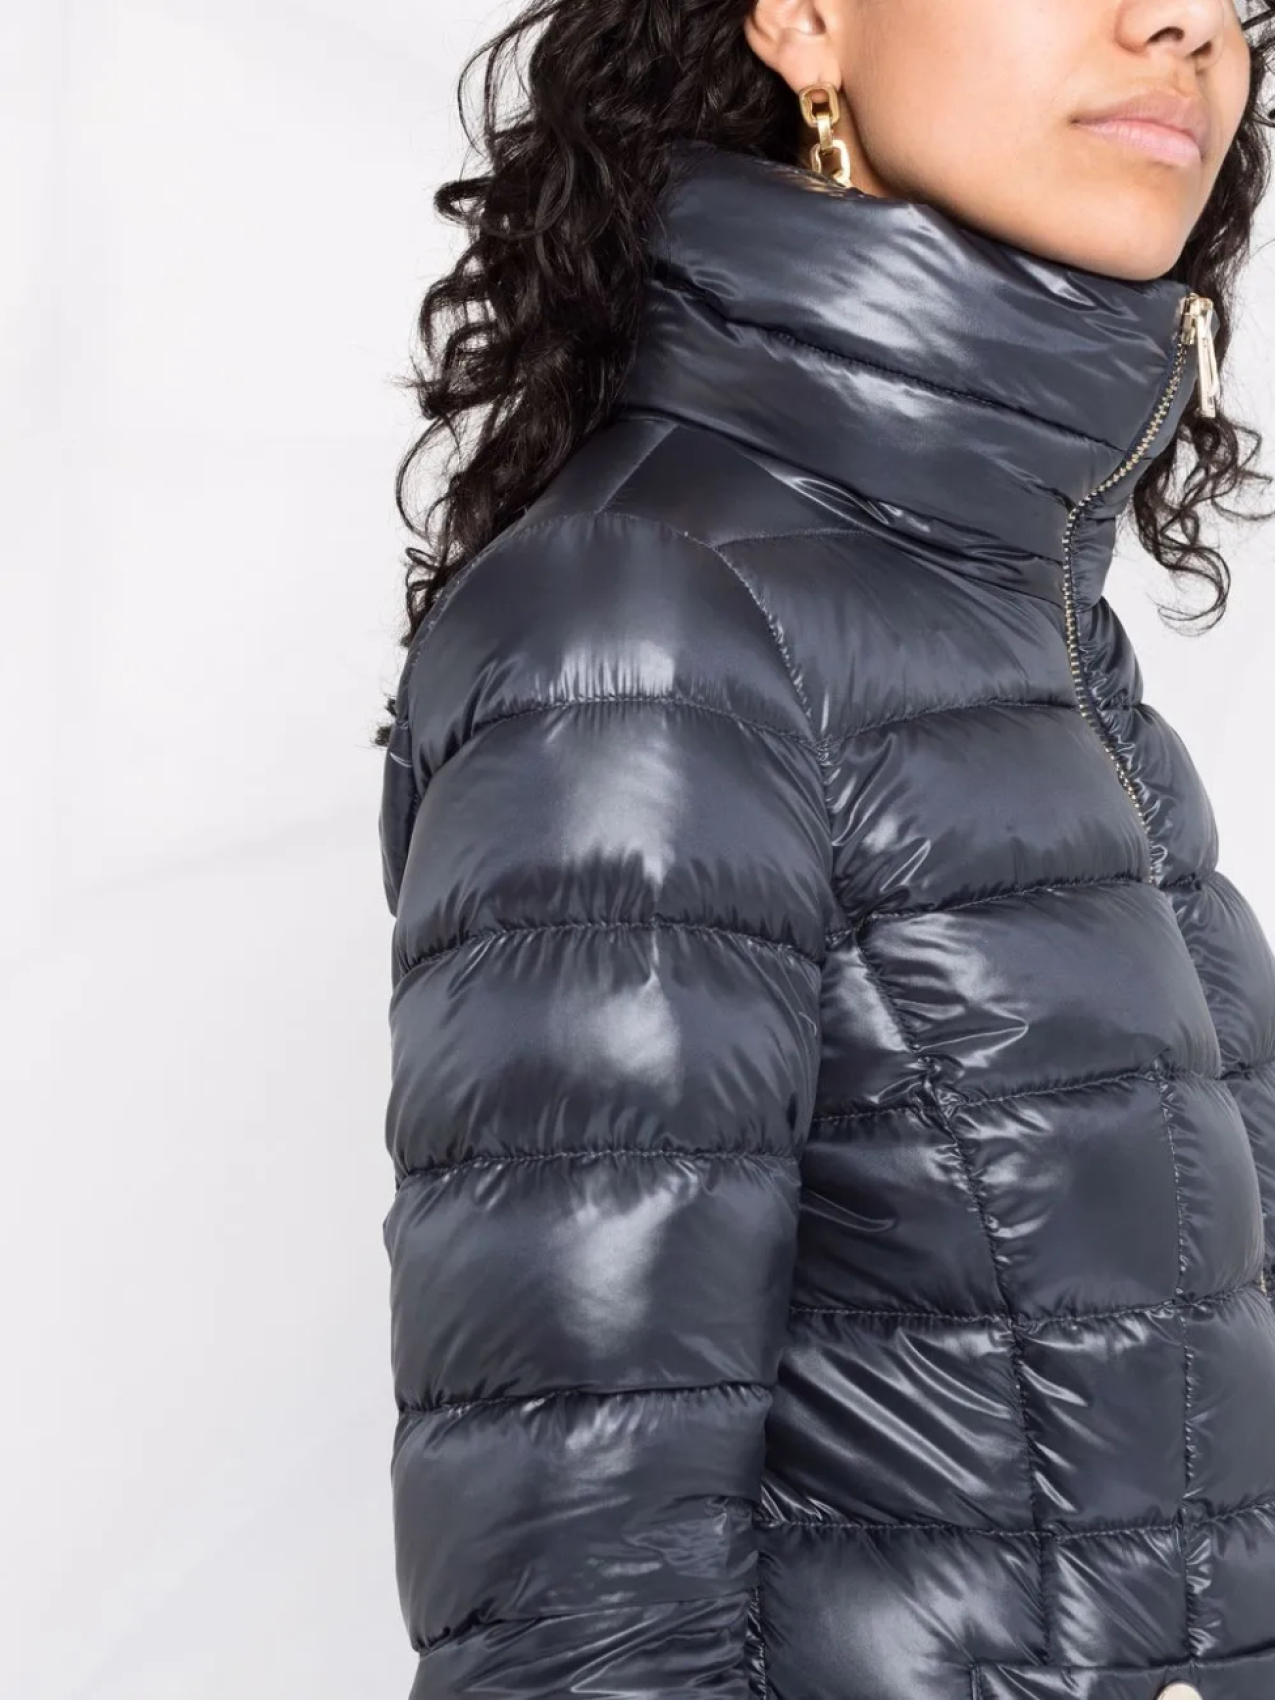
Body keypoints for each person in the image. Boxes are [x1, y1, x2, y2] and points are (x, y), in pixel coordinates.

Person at [375, 3, 1275, 1697]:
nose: (1181, 25)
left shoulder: (1029, 623)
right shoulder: (649, 625)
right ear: (801, 20)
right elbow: (586, 1623)